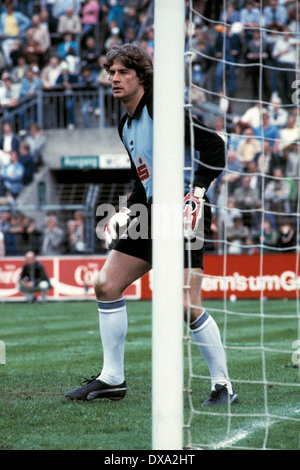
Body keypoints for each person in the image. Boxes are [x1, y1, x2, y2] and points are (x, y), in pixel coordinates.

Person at [65, 43, 238, 407]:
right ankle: (112, 379)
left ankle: (223, 386)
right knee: (105, 284)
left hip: (180, 214)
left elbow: (214, 148)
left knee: (186, 305)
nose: (114, 78)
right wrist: (125, 210)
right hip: (149, 215)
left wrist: (197, 194)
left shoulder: (161, 109)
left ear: (141, 76)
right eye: (111, 72)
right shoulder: (124, 123)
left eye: (122, 72)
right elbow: (141, 181)